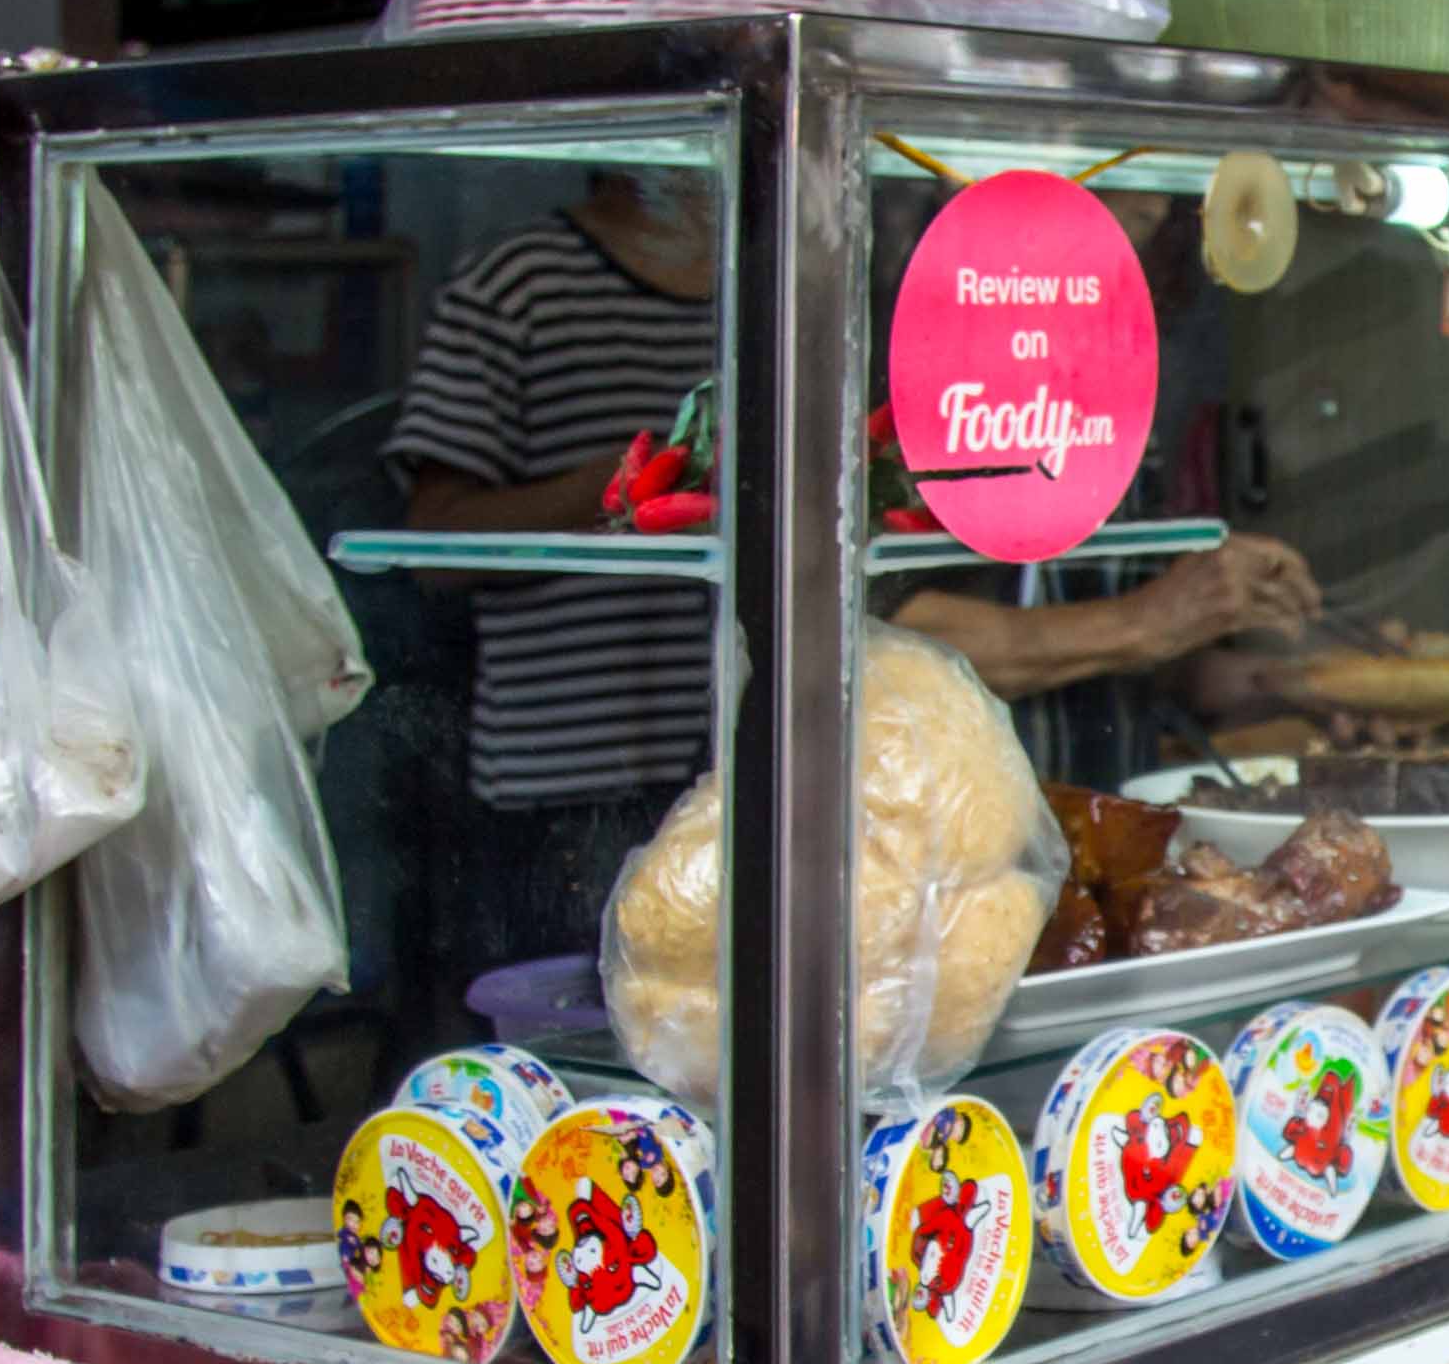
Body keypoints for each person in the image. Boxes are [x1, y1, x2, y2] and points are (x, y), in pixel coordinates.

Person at [389, 170, 1318, 968]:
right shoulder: (518, 282)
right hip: (566, 770)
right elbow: (435, 535)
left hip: (754, 758)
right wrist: (643, 484)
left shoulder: (796, 294)